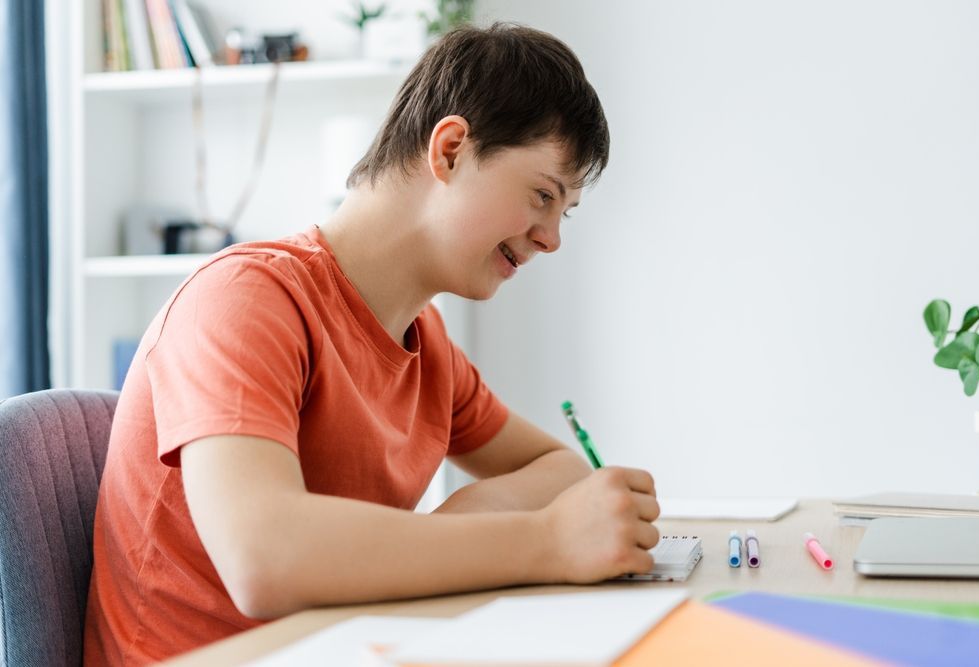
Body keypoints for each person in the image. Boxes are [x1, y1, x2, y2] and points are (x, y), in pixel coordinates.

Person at [83, 23, 660, 666]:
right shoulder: (246, 299)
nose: (552, 238)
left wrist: (443, 537)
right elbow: (263, 560)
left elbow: (560, 472)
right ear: (450, 151)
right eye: (542, 195)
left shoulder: (427, 345)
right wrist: (543, 542)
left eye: (564, 213)